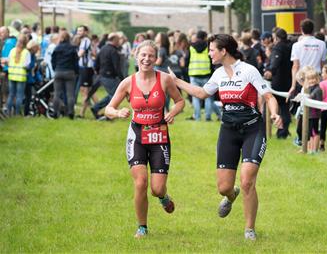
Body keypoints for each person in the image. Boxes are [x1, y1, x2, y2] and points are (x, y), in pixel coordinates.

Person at [169, 34, 281, 241]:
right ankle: (231, 195)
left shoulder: (249, 70)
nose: (209, 52)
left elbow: (268, 96)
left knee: (247, 181)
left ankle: (249, 229)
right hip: (228, 131)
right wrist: (176, 81)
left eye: (212, 49)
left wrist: (274, 113)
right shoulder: (219, 74)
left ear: (224, 51)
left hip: (252, 131)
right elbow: (202, 93)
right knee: (224, 187)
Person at [104, 40, 185, 238]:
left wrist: (172, 112)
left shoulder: (164, 79)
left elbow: (180, 101)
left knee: (156, 188)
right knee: (140, 183)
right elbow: (108, 108)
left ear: (156, 58)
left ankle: (163, 196)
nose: (146, 59)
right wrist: (117, 112)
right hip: (137, 135)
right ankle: (142, 227)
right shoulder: (128, 82)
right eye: (143, 55)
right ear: (136, 56)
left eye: (151, 56)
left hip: (159, 135)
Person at [264, 28, 292, 139]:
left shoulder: (278, 48)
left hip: (279, 82)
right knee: (284, 108)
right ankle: (283, 131)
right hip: (289, 81)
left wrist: (270, 71)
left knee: (274, 107)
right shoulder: (290, 47)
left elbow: (275, 62)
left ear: (276, 38)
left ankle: (276, 131)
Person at [288, 18, 326, 97]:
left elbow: (295, 66)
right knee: (316, 105)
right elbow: (322, 64)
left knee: (302, 104)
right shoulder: (322, 44)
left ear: (301, 30)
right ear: (313, 30)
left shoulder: (296, 45)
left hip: (302, 79)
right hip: (316, 79)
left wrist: (293, 86)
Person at [90, 33, 124, 119]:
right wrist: (122, 78)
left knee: (112, 95)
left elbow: (96, 62)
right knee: (114, 96)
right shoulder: (113, 51)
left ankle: (96, 108)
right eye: (118, 40)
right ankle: (107, 115)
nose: (119, 42)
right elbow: (117, 66)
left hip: (102, 76)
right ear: (114, 40)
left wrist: (98, 72)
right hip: (109, 77)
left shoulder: (103, 48)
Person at [51, 31, 78, 119]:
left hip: (58, 71)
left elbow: (53, 60)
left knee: (57, 94)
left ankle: (55, 112)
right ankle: (70, 112)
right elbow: (75, 61)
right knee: (70, 94)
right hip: (70, 72)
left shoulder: (57, 48)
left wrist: (55, 69)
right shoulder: (72, 48)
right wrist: (76, 71)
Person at [6, 34, 30, 115]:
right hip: (21, 76)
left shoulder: (12, 50)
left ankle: (8, 112)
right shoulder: (26, 52)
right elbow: (27, 65)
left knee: (11, 95)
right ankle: (17, 113)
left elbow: (8, 62)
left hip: (12, 75)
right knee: (19, 96)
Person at [304, 69, 322, 154]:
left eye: (313, 78)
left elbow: (318, 102)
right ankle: (309, 148)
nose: (311, 81)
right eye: (309, 79)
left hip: (315, 114)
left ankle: (315, 149)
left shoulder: (318, 89)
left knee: (315, 131)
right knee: (309, 132)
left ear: (317, 79)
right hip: (309, 114)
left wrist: (310, 97)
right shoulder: (309, 88)